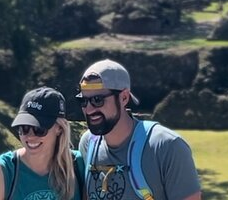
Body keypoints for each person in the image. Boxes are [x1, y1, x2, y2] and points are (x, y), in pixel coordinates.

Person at [77, 59, 202, 200]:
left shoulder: (167, 147)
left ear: (124, 97)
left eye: (97, 100)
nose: (88, 109)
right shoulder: (88, 144)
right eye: (83, 101)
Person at [0, 86, 84, 200]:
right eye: (24, 128)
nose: (30, 136)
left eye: (39, 129)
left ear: (59, 128)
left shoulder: (79, 165)